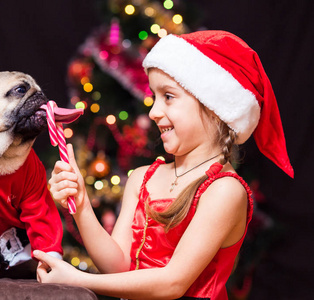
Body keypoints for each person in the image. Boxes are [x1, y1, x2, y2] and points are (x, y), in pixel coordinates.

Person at [33, 30, 294, 299]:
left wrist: (78, 280)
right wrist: (82, 205)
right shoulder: (143, 177)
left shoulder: (224, 191)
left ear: (214, 108)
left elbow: (173, 282)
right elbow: (119, 266)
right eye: (154, 97)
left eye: (168, 96)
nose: (154, 112)